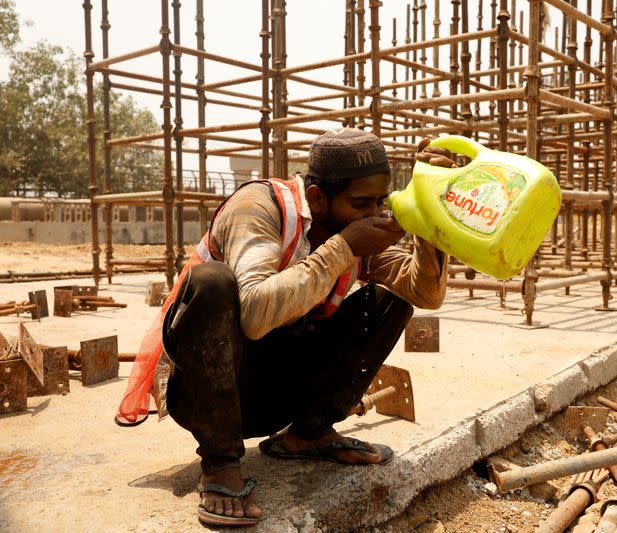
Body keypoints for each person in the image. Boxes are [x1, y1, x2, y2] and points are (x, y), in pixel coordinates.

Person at [115, 128, 455, 526]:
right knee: (212, 283)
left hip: (274, 393)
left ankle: (307, 434)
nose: (374, 215)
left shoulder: (352, 224)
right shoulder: (260, 208)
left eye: (380, 202)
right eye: (360, 203)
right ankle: (221, 463)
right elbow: (255, 315)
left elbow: (424, 292)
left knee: (389, 302)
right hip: (206, 392)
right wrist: (343, 248)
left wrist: (435, 215)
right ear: (317, 198)